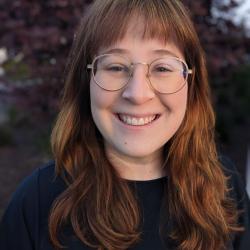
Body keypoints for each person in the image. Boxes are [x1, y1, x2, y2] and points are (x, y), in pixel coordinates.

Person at [0, 0, 249, 249]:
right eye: (116, 67)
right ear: (86, 81)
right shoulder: (36, 203)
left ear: (190, 84)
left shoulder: (223, 186)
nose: (138, 94)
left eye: (162, 68)